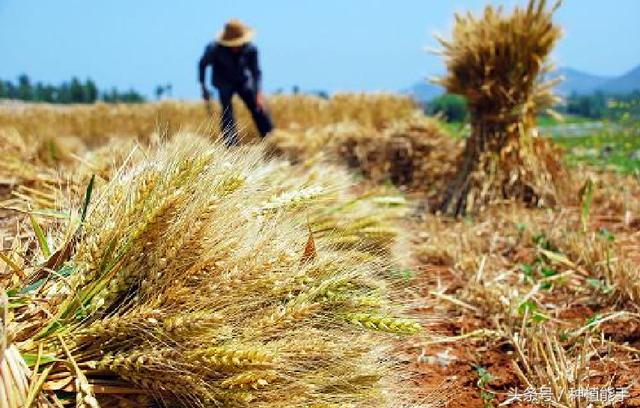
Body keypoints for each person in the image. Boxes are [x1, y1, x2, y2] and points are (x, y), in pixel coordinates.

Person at [198, 19, 274, 146]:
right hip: (223, 81)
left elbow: (256, 72)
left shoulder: (251, 49)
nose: (236, 46)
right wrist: (203, 86)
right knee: (227, 111)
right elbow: (202, 64)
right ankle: (231, 145)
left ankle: (271, 139)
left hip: (242, 80)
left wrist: (258, 94)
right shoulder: (214, 49)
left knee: (258, 107)